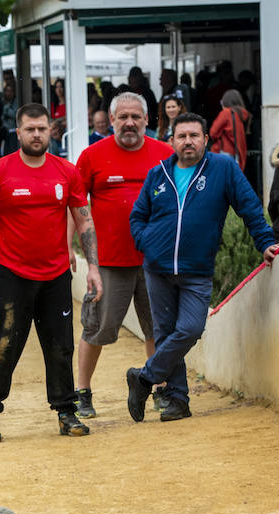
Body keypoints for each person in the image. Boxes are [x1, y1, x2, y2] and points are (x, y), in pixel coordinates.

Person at [125, 112, 277, 423]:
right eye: (181, 136)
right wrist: (148, 242)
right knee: (165, 332)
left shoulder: (222, 168)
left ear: (206, 140)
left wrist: (264, 242)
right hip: (158, 268)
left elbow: (249, 206)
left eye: (195, 135)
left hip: (197, 269)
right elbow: (138, 216)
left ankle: (143, 378)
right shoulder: (158, 174)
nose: (188, 141)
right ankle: (178, 400)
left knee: (191, 329)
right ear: (172, 141)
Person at [0, 102, 101, 442]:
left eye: (43, 128)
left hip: (56, 274)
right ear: (19, 132)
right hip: (13, 274)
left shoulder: (66, 172)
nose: (37, 134)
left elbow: (84, 219)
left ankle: (66, 412)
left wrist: (93, 268)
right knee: (5, 344)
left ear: (51, 131)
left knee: (60, 346)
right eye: (30, 129)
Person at [72, 91, 174, 419]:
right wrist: (67, 248)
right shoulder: (91, 156)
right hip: (108, 264)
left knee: (157, 330)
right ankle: (83, 392)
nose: (129, 123)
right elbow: (75, 206)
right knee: (96, 329)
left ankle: (159, 389)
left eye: (136, 117)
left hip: (155, 262)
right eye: (122, 117)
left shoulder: (166, 154)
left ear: (147, 121)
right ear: (111, 121)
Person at [209, 89, 250, 168]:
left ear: (226, 102)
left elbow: (213, 133)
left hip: (223, 155)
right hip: (238, 156)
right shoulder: (241, 115)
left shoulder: (226, 113)